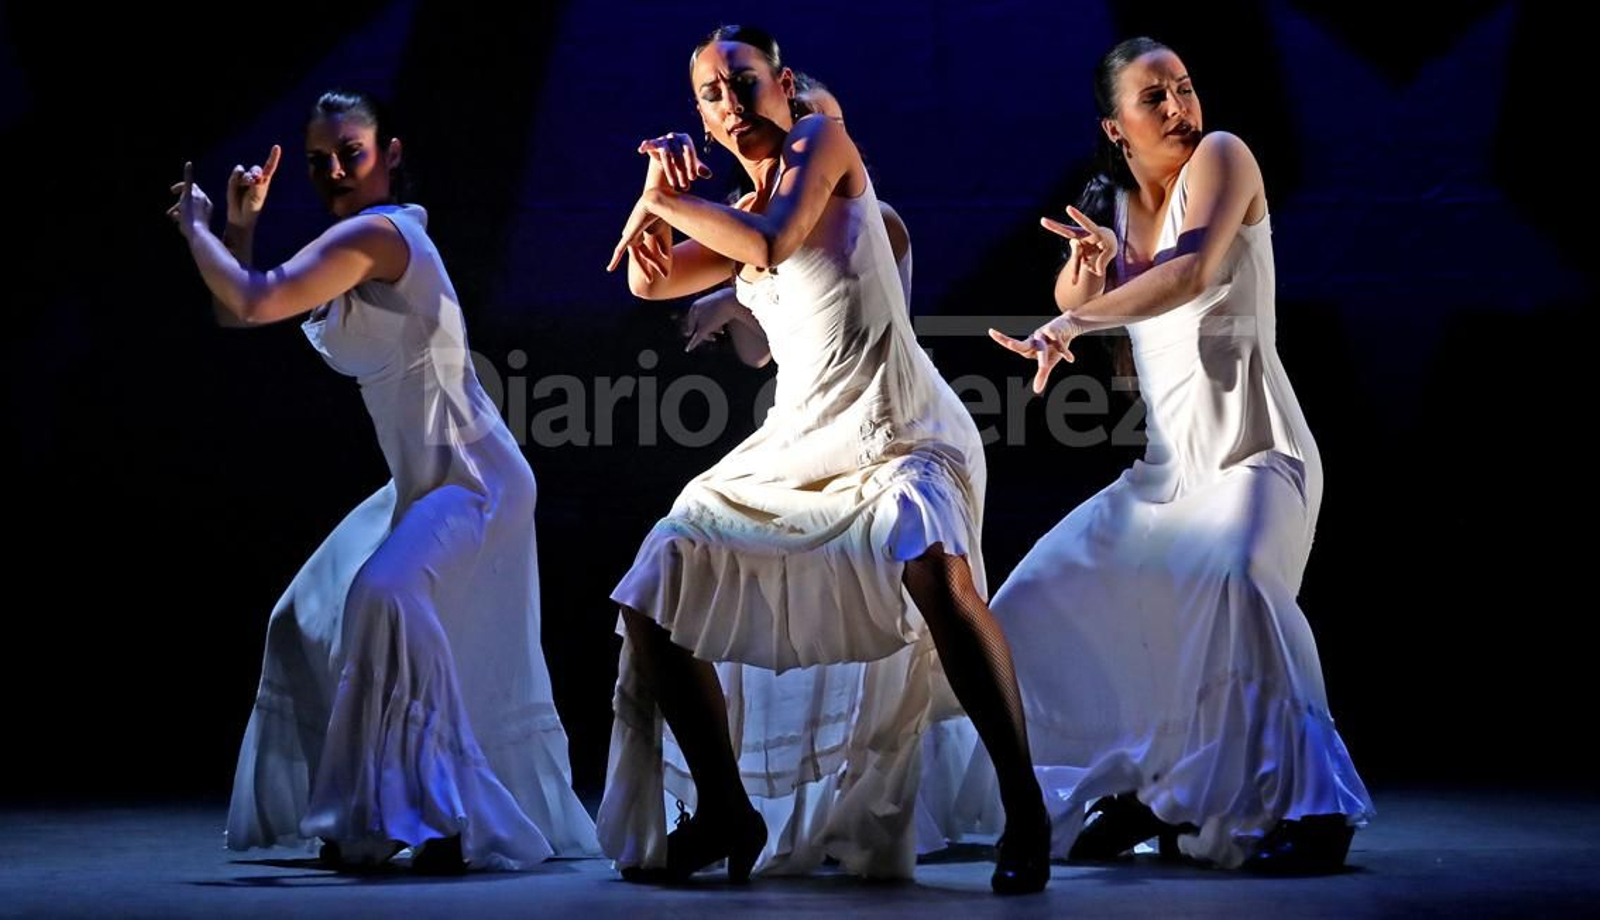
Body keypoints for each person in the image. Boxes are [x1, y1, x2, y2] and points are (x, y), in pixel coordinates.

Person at [597, 25, 1048, 893]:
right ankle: (728, 809)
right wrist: (655, 196)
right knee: (659, 578)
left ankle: (1023, 806)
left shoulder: (822, 144)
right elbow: (650, 283)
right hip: (802, 442)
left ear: (784, 82)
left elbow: (769, 242)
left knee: (929, 556)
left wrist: (658, 202)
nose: (730, 105)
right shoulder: (738, 205)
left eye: (744, 82)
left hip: (897, 431)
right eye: (710, 95)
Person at [169, 90, 598, 871]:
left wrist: (198, 229)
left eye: (352, 152)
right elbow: (239, 311)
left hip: (475, 479)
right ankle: (366, 807)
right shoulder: (347, 248)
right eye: (318, 160)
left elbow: (253, 297)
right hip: (419, 482)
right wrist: (238, 228)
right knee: (301, 617)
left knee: (383, 597)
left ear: (389, 155)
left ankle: (437, 819)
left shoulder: (380, 234)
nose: (335, 170)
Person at [987, 37, 1374, 871]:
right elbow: (1080, 296)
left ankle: (1316, 810)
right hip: (1167, 479)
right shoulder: (1118, 204)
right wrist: (1084, 280)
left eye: (1184, 89)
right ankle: (1150, 785)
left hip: (1256, 456)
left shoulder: (1224, 158)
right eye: (1154, 99)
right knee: (1028, 604)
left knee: (1235, 583)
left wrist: (1074, 321)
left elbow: (1191, 271)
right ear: (1115, 127)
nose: (1178, 108)